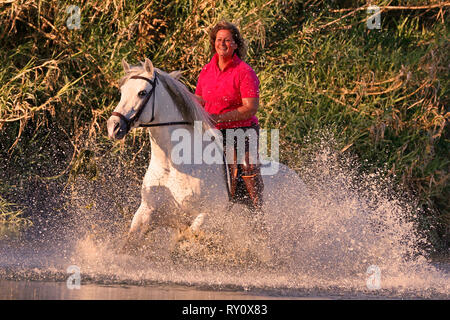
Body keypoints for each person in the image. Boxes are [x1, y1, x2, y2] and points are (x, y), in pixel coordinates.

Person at [195, 21, 264, 212]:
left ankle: (257, 211)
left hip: (241, 130)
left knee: (247, 165)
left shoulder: (244, 72)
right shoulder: (206, 70)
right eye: (219, 40)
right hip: (211, 130)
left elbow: (250, 108)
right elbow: (198, 100)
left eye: (227, 40)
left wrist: (218, 118)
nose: (222, 43)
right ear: (213, 43)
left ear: (235, 44)